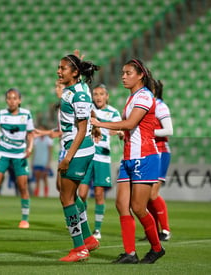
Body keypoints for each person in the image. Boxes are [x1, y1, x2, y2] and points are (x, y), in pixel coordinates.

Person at [91, 59, 165, 264]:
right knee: (121, 205)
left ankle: (157, 248)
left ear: (140, 75)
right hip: (129, 158)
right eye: (122, 73)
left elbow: (132, 122)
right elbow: (132, 128)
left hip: (145, 157)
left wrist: (100, 123)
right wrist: (119, 131)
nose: (123, 76)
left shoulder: (144, 96)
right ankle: (130, 254)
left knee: (139, 208)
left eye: (128, 73)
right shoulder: (132, 97)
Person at [55, 53, 100, 262]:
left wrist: (67, 157)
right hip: (75, 148)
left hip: (78, 150)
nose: (58, 71)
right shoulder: (74, 90)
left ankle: (79, 248)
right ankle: (89, 238)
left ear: (74, 72)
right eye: (59, 67)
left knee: (66, 198)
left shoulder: (79, 94)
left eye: (63, 68)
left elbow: (82, 129)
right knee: (69, 195)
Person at [0, 88, 34, 229]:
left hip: (20, 154)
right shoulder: (0, 114)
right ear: (6, 100)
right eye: (9, 98)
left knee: (22, 186)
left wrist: (29, 148)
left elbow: (30, 134)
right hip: (3, 153)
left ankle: (25, 219)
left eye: (15, 98)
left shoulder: (26, 114)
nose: (12, 101)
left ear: (19, 100)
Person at [78, 84, 123, 240]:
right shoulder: (88, 109)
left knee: (98, 194)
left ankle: (97, 229)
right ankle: (82, 225)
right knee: (81, 194)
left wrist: (119, 132)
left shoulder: (113, 113)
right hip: (86, 155)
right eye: (95, 94)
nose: (98, 97)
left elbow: (121, 129)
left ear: (107, 96)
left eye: (101, 94)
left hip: (103, 157)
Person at [146, 79, 173, 241]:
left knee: (152, 193)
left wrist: (150, 132)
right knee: (145, 195)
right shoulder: (146, 105)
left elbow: (169, 130)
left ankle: (166, 230)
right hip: (149, 152)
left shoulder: (160, 106)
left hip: (161, 152)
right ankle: (154, 230)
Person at [32, 125, 53, 197]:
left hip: (44, 162)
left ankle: (46, 195)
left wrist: (49, 163)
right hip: (37, 161)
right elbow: (34, 152)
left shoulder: (49, 140)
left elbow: (50, 153)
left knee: (44, 178)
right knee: (37, 179)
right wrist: (32, 162)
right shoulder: (36, 140)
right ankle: (36, 194)